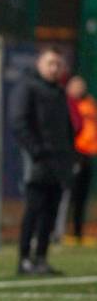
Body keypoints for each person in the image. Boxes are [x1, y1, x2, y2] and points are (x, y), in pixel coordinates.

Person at [9, 46, 76, 275]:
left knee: (51, 212)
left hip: (58, 162)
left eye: (58, 64)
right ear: (39, 63)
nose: (54, 68)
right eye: (50, 63)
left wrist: (69, 154)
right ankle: (24, 259)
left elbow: (66, 127)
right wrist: (36, 150)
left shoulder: (59, 91)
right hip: (37, 162)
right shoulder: (27, 87)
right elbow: (19, 122)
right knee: (34, 210)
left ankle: (41, 258)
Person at [65, 75, 97, 243]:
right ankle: (61, 231)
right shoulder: (67, 103)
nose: (79, 88)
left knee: (82, 196)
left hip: (88, 154)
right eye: (76, 85)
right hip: (73, 154)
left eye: (81, 85)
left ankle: (78, 232)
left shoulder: (89, 103)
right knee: (68, 195)